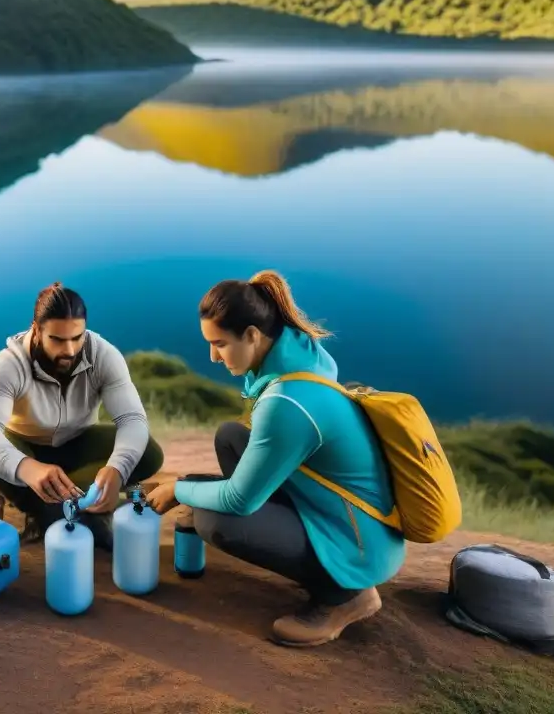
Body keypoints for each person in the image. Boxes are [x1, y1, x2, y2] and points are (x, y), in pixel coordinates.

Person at [146, 270, 406, 648]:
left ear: (252, 335)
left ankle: (345, 596)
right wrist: (187, 489)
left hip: (358, 542)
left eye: (219, 344)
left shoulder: (287, 401)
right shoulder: (303, 357)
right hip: (339, 509)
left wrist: (181, 490)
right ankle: (306, 552)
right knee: (232, 438)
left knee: (217, 521)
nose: (212, 357)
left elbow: (239, 500)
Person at [0, 282, 164, 550]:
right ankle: (81, 504)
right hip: (26, 447)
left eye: (77, 337)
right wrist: (26, 467)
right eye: (57, 340)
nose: (70, 350)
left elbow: (132, 419)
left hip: (78, 442)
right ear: (36, 331)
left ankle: (64, 504)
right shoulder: (8, 364)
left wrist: (118, 466)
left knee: (148, 452)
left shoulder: (104, 355)